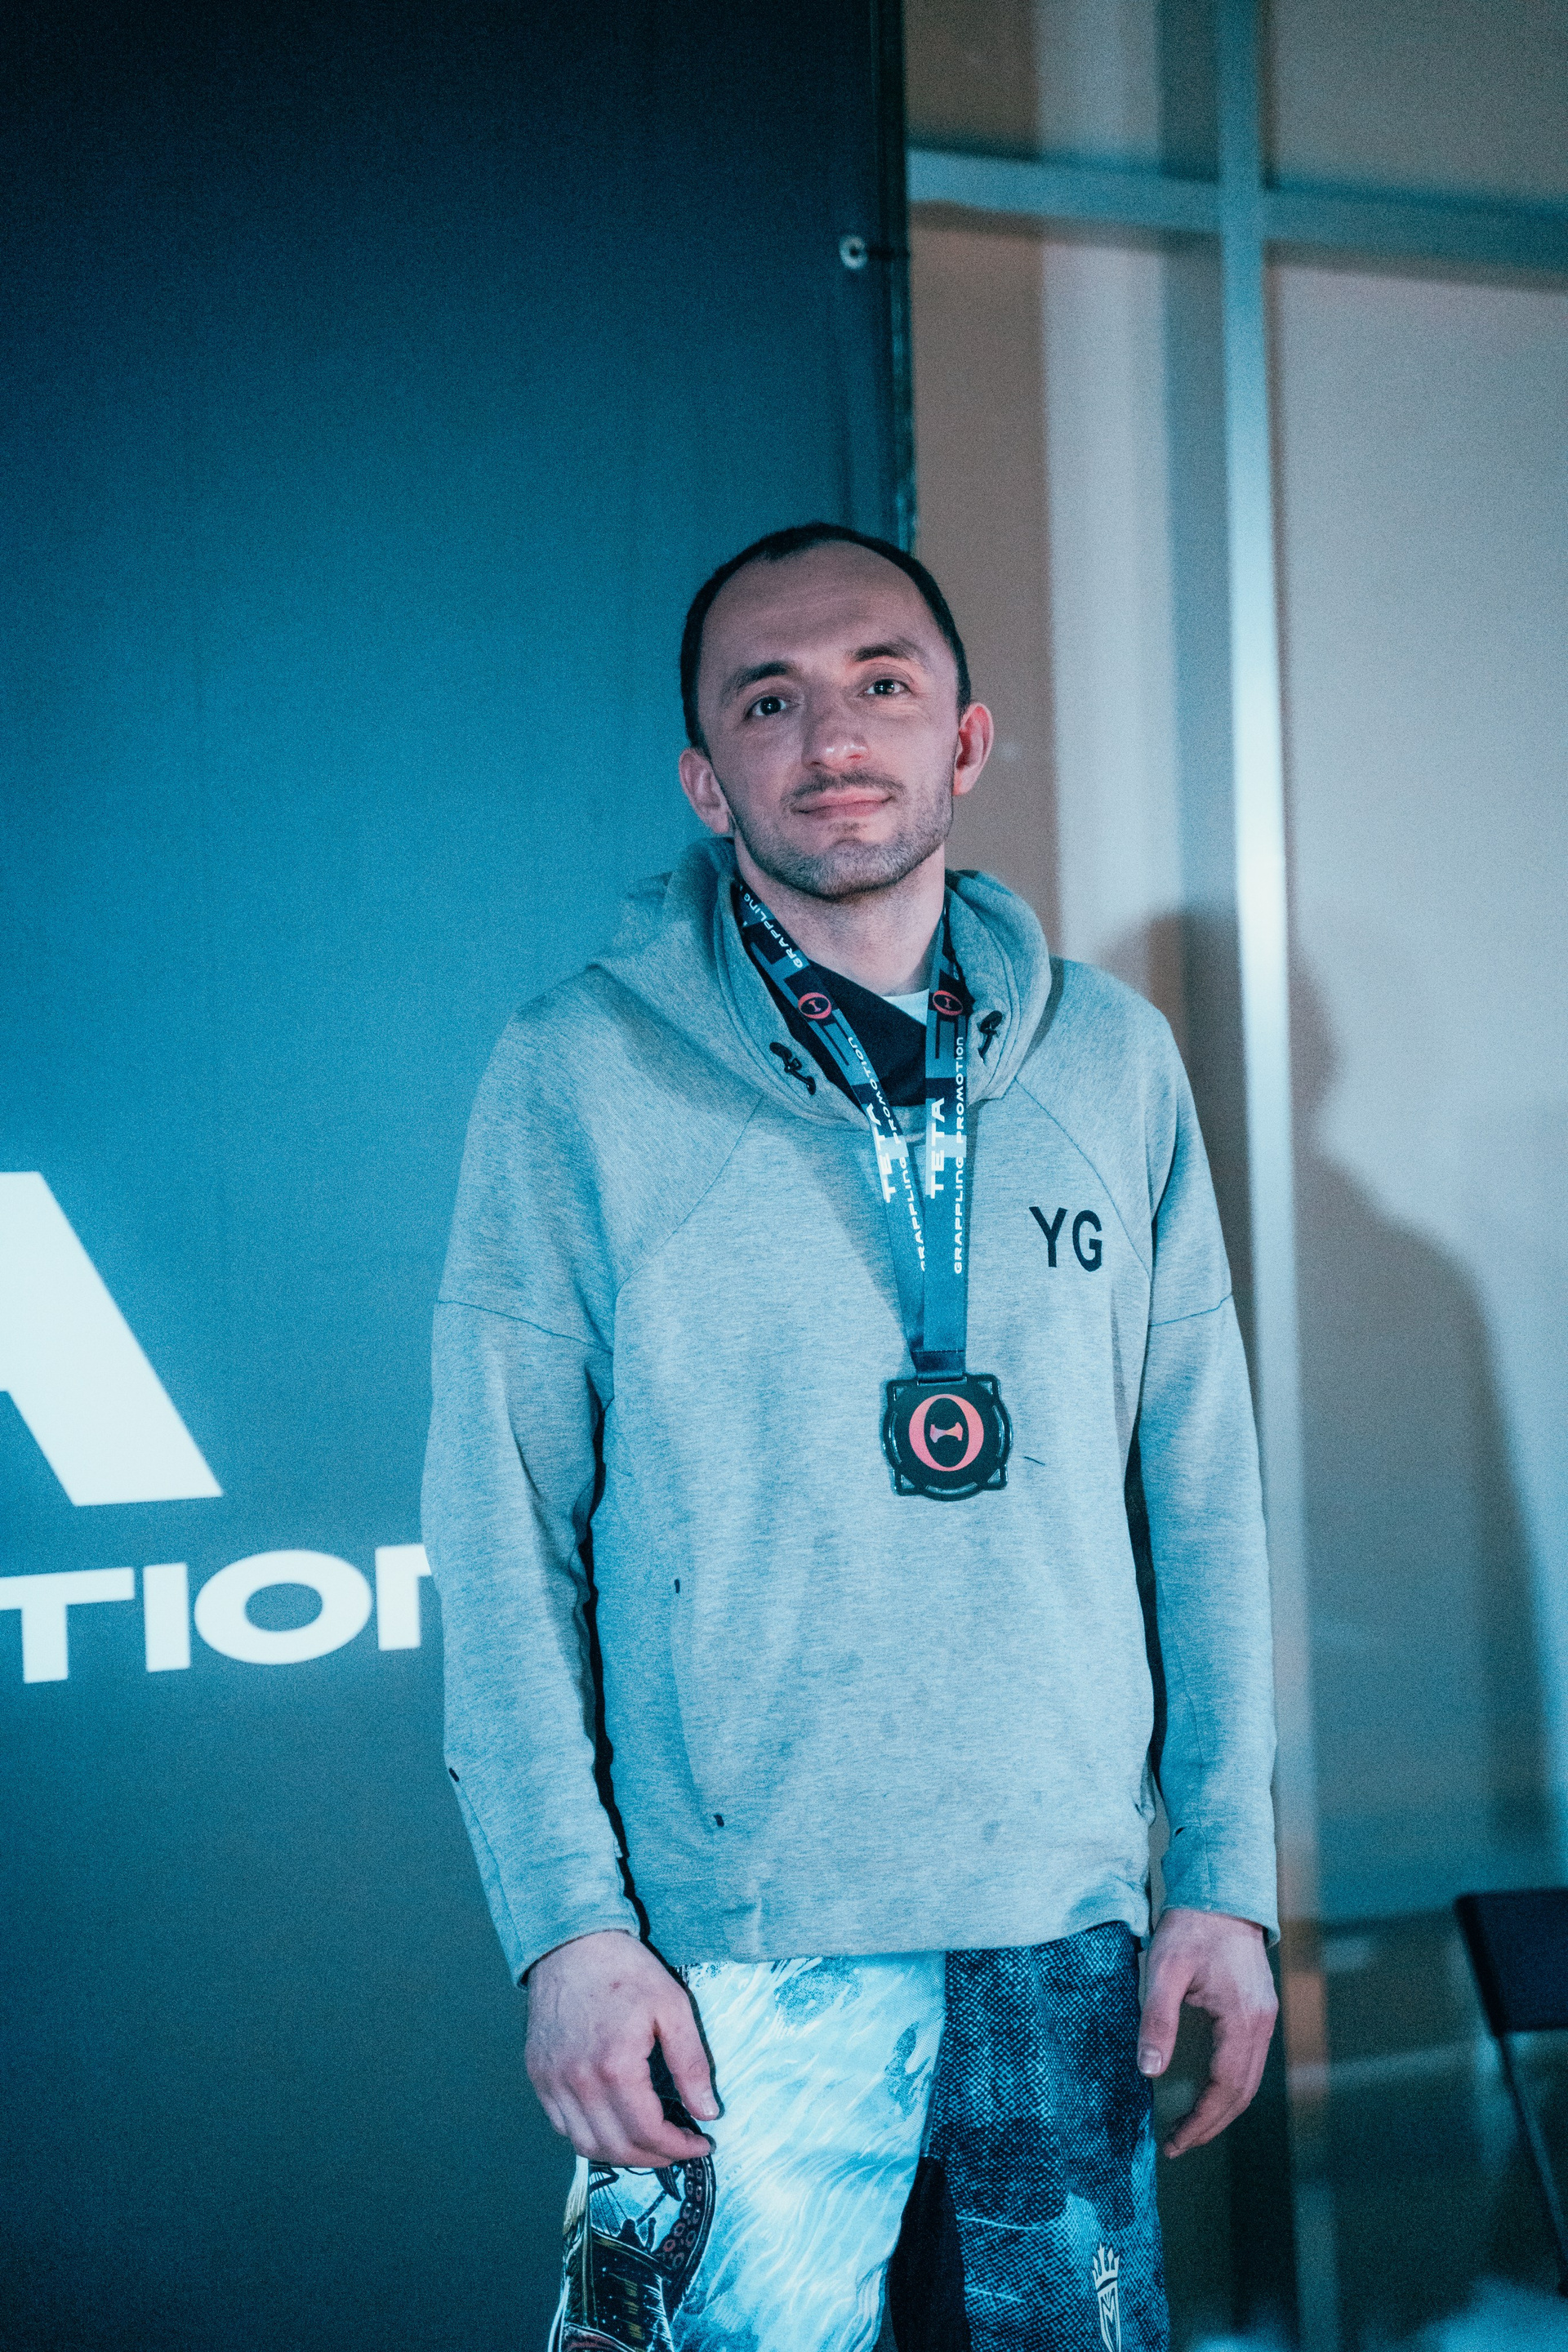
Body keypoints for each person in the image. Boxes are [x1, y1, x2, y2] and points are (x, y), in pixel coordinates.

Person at [422, 522, 1280, 2351]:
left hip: (1064, 1939)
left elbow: (1199, 1495)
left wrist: (1222, 1871)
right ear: (704, 780)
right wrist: (567, 1931)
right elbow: (500, 1535)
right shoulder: (577, 1071)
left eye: (882, 684)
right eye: (770, 701)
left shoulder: (1113, 1062)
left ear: (963, 739)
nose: (832, 737)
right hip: (738, 1961)